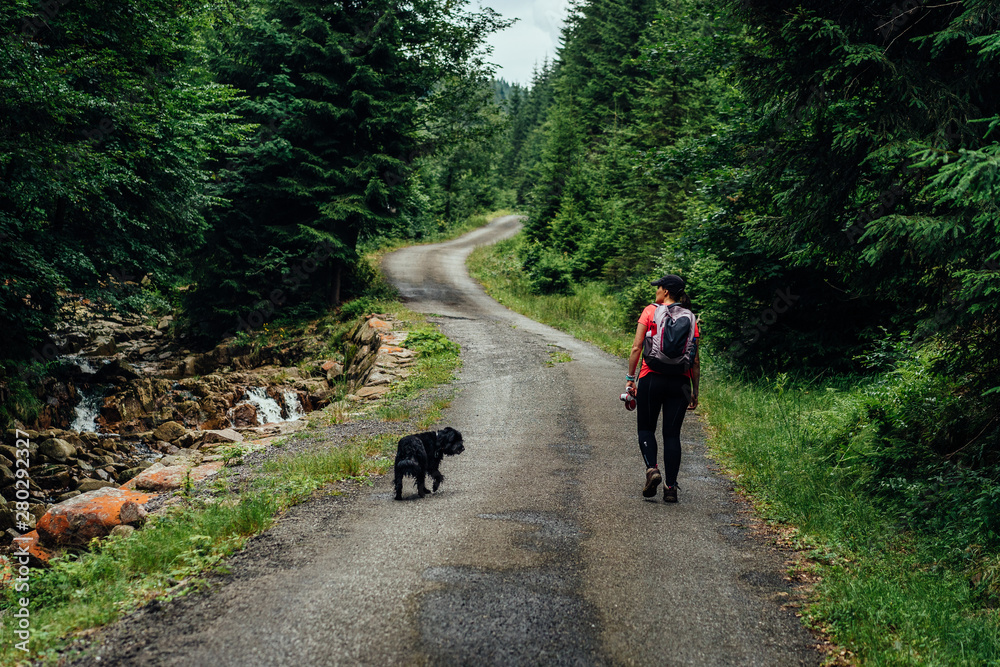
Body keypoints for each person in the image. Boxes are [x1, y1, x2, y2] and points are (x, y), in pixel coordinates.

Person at [625, 274, 700, 503]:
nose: (656, 290)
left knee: (646, 428)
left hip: (651, 378)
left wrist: (630, 378)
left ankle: (652, 470)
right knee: (672, 434)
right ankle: (671, 487)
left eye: (658, 287)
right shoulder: (691, 317)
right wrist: (694, 392)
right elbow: (695, 360)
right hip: (679, 382)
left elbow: (637, 347)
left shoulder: (650, 311)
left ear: (666, 291)